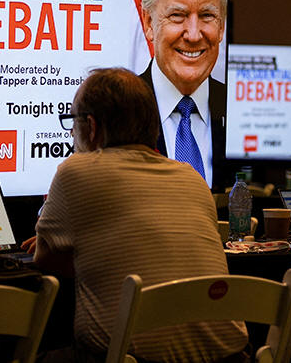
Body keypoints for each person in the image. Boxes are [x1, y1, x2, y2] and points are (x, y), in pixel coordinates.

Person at [27, 67, 248, 363]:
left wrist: (87, 248)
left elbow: (46, 260)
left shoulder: (76, 171)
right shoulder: (192, 178)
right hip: (229, 357)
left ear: (91, 127)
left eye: (73, 122)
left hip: (129, 358)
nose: (70, 132)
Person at [138, 0, 227, 189]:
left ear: (221, 26)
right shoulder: (115, 113)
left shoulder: (242, 113)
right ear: (149, 23)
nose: (194, 34)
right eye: (178, 15)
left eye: (207, 15)